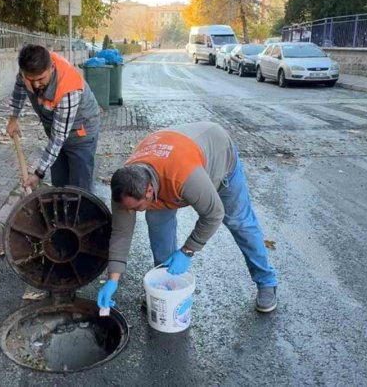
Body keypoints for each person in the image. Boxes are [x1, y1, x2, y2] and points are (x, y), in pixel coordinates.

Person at [96, 122, 279, 313]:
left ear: (149, 191)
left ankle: (266, 281)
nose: (134, 212)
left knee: (239, 222)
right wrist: (113, 279)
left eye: (137, 207)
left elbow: (214, 214)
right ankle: (166, 287)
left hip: (217, 156)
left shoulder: (183, 176)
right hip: (172, 155)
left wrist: (187, 251)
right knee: (158, 227)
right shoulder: (125, 187)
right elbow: (121, 234)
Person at [6, 44, 100, 192]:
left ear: (51, 68)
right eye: (31, 79)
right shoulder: (27, 70)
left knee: (80, 188)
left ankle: (82, 214)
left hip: (81, 133)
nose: (36, 85)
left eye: (41, 79)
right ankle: (62, 212)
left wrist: (38, 174)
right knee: (60, 183)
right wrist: (13, 119)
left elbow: (58, 138)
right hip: (55, 130)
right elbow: (19, 88)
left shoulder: (68, 90)